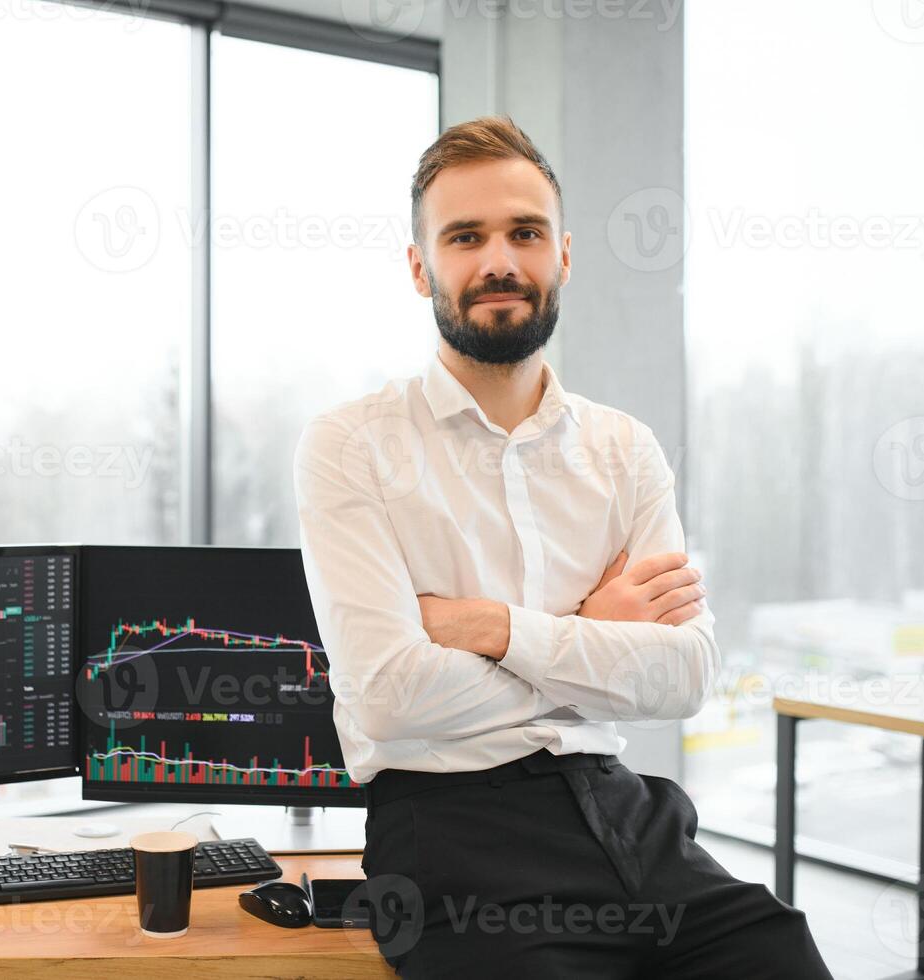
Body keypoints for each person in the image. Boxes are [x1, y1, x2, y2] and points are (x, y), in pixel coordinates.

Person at [293, 115, 832, 979]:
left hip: (631, 815)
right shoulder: (349, 445)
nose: (497, 260)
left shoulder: (623, 449)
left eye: (524, 233)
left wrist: (495, 628)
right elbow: (388, 696)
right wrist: (590, 634)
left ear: (563, 256)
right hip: (450, 835)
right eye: (464, 237)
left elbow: (683, 677)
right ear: (419, 266)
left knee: (783, 954)